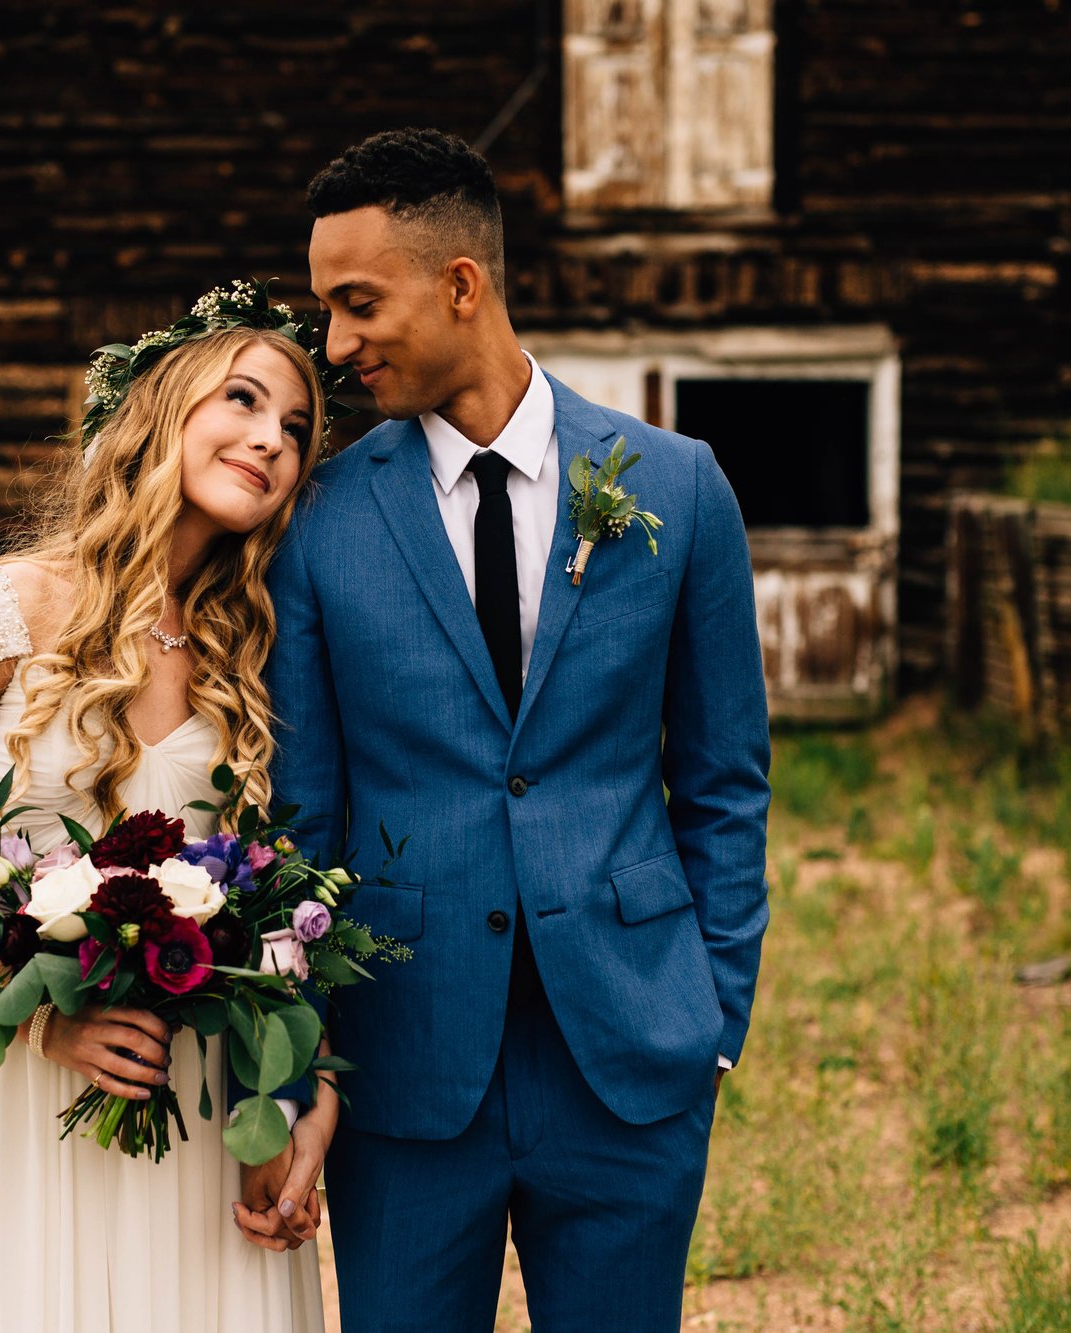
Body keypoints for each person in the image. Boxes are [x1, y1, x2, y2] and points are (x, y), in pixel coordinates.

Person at [264, 128, 772, 1330]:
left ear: (459, 284)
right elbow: (303, 812)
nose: (333, 345)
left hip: (628, 1052)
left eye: (355, 303)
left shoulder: (677, 484)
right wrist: (297, 1067)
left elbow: (721, 778)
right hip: (402, 1064)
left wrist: (712, 1020)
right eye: (324, 309)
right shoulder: (321, 520)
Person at [0, 286, 340, 1333]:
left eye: (294, 429)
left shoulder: (255, 648)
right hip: (29, 1091)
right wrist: (39, 1015)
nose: (270, 440)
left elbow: (277, 907)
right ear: (159, 410)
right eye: (241, 399)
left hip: (197, 1094)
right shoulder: (6, 607)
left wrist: (290, 1099)